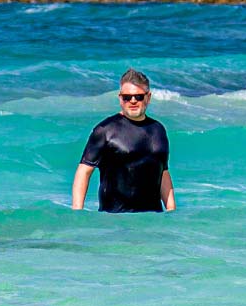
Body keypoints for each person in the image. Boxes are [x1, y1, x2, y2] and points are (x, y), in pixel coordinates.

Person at [71, 69, 174, 213]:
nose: (133, 101)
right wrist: (77, 213)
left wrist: (171, 210)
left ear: (148, 97)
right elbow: (84, 171)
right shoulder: (105, 130)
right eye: (127, 97)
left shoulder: (158, 130)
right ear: (120, 98)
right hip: (115, 220)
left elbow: (163, 172)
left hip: (152, 220)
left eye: (138, 97)